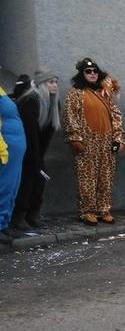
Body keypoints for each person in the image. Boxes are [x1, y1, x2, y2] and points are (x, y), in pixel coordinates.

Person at [62, 58, 125, 224]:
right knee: (87, 180)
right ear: (82, 74)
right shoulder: (75, 93)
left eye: (95, 71)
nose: (92, 74)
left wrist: (118, 139)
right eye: (88, 71)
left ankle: (103, 210)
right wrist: (74, 138)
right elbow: (70, 116)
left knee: (106, 178)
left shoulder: (105, 94)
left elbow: (116, 116)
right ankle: (86, 212)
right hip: (86, 143)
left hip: (106, 143)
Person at [11, 68, 60, 229]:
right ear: (42, 84)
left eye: (56, 82)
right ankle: (18, 215)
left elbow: (46, 136)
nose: (55, 86)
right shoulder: (30, 101)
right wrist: (35, 160)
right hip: (24, 145)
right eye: (51, 82)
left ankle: (33, 213)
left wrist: (40, 159)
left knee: (39, 180)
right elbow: (29, 134)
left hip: (38, 147)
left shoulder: (53, 103)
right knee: (27, 180)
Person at [0, 85, 26, 243]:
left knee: (12, 187)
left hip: (15, 150)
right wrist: (2, 149)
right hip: (6, 150)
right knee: (4, 187)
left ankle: (4, 224)